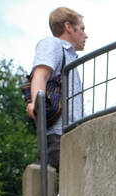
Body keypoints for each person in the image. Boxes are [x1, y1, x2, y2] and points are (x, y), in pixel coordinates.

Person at [27, 7, 87, 172]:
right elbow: (40, 75)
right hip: (58, 135)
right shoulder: (53, 44)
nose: (85, 35)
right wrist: (36, 103)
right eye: (82, 29)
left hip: (69, 133)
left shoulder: (69, 56)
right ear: (68, 27)